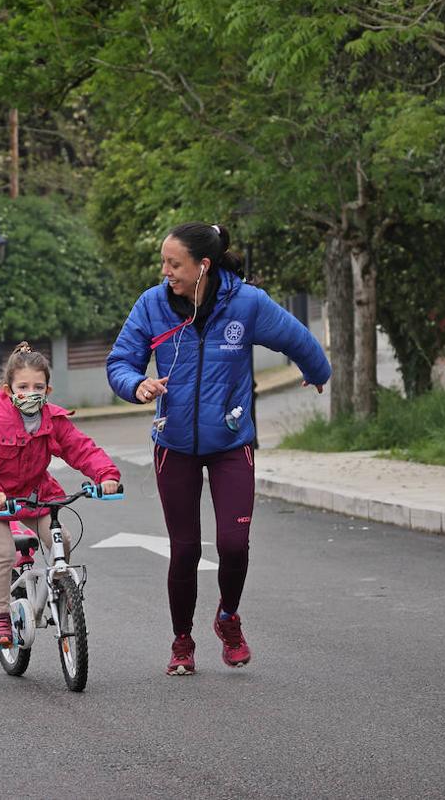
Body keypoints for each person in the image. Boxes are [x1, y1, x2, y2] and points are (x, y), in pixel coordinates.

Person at [107, 223, 331, 675]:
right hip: (174, 444)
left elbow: (296, 337)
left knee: (233, 544)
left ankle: (228, 618)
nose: (165, 271)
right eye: (163, 262)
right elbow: (121, 362)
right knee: (185, 550)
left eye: (175, 263)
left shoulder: (245, 303)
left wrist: (317, 370)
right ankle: (182, 641)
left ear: (202, 265)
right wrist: (138, 385)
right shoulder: (152, 305)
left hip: (231, 441)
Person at [0, 342, 122, 648]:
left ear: (48, 390)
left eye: (38, 386)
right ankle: (0, 615)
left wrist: (107, 475)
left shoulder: (52, 420)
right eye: (22, 386)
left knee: (63, 539)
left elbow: (81, 449)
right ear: (8, 390)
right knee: (4, 552)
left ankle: (59, 594)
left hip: (34, 493)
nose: (30, 392)